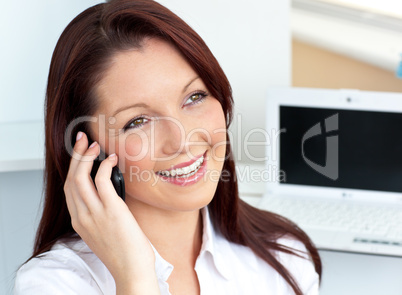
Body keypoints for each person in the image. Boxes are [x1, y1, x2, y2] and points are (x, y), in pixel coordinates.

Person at [14, 0, 322, 294]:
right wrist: (134, 276)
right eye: (137, 121)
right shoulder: (55, 284)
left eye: (194, 97)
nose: (182, 141)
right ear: (87, 149)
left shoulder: (285, 259)